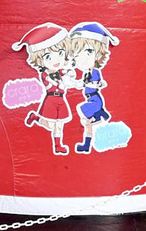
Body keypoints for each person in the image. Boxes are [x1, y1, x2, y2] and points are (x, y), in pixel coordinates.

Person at [12, 22, 73, 155]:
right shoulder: (45, 74)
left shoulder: (63, 71)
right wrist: (62, 81)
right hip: (51, 99)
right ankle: (36, 117)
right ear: (40, 60)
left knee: (60, 124)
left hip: (61, 100)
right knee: (51, 125)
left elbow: (68, 80)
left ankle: (58, 145)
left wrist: (69, 77)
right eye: (48, 57)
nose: (56, 59)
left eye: (60, 53)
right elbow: (52, 83)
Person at [68, 21, 119, 154]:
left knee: (85, 116)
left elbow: (95, 84)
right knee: (89, 124)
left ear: (97, 54)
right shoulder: (88, 72)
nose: (81, 59)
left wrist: (88, 84)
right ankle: (87, 143)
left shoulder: (95, 72)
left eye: (88, 52)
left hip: (95, 100)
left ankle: (98, 120)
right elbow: (87, 83)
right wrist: (75, 83)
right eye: (77, 54)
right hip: (92, 99)